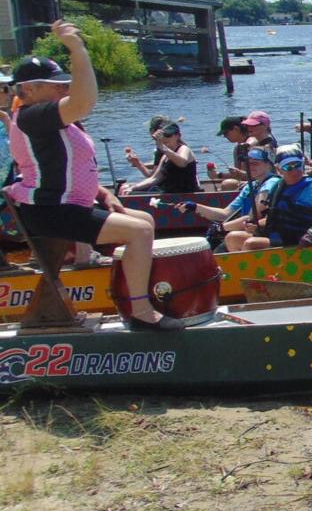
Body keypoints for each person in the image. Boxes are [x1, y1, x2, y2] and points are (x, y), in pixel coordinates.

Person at [1, 31, 181, 330]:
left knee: (144, 221)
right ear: (29, 90)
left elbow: (65, 164)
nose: (65, 88)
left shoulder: (49, 117)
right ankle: (140, 311)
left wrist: (101, 193)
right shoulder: (33, 115)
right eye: (57, 84)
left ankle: (132, 294)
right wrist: (77, 48)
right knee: (137, 232)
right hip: (50, 212)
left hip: (63, 206)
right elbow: (84, 101)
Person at [233, 147, 312, 250]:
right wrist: (256, 225)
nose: (295, 170)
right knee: (233, 238)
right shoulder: (280, 186)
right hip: (283, 235)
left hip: (303, 240)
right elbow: (277, 218)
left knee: (251, 244)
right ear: (279, 169)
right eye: (288, 167)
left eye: (298, 165)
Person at [188, 147, 278, 249]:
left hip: (263, 232)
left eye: (255, 163)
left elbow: (252, 217)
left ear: (268, 164)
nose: (250, 166)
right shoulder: (251, 186)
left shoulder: (272, 183)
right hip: (245, 229)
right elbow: (226, 214)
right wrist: (195, 207)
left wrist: (220, 228)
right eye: (248, 163)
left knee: (230, 240)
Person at [121, 119, 198, 195]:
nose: (165, 138)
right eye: (163, 135)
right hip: (169, 193)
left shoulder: (184, 149)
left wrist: (162, 147)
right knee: (125, 190)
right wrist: (133, 187)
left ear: (178, 136)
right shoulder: (165, 156)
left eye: (168, 135)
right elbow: (155, 178)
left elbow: (182, 163)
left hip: (186, 194)